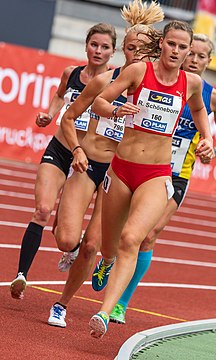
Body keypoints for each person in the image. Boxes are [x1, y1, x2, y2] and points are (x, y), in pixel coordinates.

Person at [89, 20, 214, 338]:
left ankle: (104, 313)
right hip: (121, 169)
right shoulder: (138, 72)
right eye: (171, 44)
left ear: (188, 52)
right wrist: (117, 110)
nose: (176, 50)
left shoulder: (192, 82)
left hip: (157, 173)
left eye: (182, 47)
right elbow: (100, 102)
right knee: (110, 244)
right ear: (162, 44)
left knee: (132, 238)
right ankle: (107, 260)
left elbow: (199, 111)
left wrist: (207, 138)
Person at [46, 0, 165, 328]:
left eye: (143, 51)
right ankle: (73, 244)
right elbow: (69, 118)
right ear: (122, 49)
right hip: (88, 165)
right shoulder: (103, 82)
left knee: (92, 246)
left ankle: (62, 304)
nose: (135, 56)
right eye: (130, 49)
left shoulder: (156, 92)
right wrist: (77, 150)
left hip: (119, 175)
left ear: (151, 55)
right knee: (69, 239)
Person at [109, 33, 216, 325]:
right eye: (192, 54)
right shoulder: (164, 79)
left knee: (148, 235)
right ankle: (107, 261)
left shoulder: (212, 97)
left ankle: (120, 303)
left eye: (201, 56)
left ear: (208, 61)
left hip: (177, 174)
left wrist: (211, 150)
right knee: (124, 231)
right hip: (144, 163)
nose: (194, 60)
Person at [10, 23, 117, 300]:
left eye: (105, 47)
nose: (98, 50)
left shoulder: (114, 83)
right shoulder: (71, 73)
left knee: (65, 236)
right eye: (94, 44)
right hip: (61, 149)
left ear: (112, 52)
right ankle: (21, 275)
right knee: (43, 209)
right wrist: (49, 113)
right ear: (86, 45)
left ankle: (73, 248)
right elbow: (60, 95)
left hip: (88, 157)